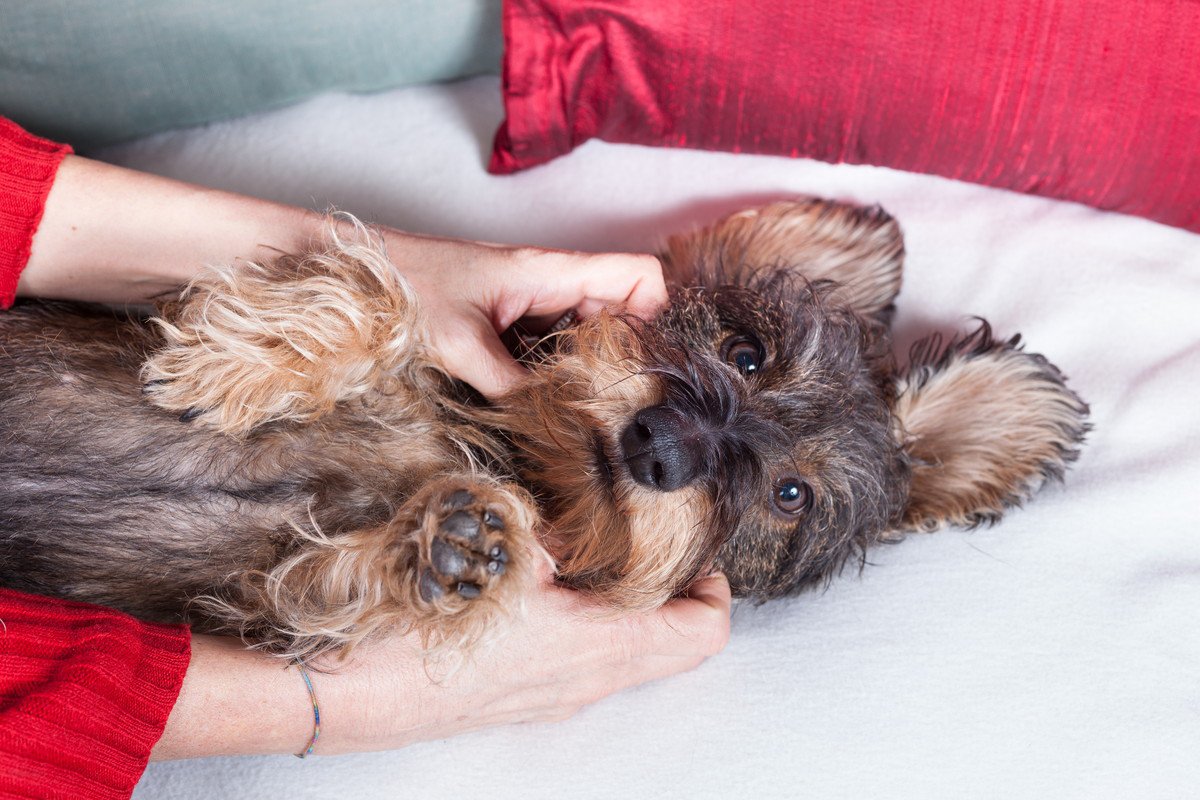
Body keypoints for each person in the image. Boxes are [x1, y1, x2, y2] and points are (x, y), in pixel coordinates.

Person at [0, 117, 731, 799]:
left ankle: (402, 568)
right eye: (745, 357)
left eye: (790, 496)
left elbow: (293, 612)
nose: (675, 442)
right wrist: (363, 290)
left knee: (365, 587)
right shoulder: (437, 349)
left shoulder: (498, 547)